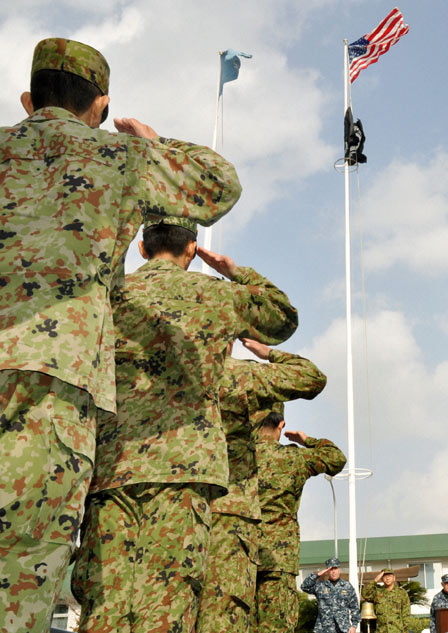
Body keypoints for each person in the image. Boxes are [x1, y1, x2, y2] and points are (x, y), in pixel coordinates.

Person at [0, 37, 241, 633]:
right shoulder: (115, 158)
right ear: (101, 105)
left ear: (30, 98)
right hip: (53, 384)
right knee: (22, 568)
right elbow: (219, 184)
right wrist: (150, 143)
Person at [71, 217, 298, 633]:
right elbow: (282, 318)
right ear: (193, 249)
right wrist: (232, 271)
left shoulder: (112, 294)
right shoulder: (215, 295)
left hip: (111, 466)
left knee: (106, 598)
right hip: (185, 469)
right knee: (168, 596)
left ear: (142, 247)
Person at [196, 338, 328, 633]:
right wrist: (268, 353)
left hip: (212, 533)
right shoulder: (289, 458)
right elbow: (311, 377)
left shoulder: (191, 380)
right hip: (270, 551)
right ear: (279, 424)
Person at [254, 412, 346, 633]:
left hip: (237, 553)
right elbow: (336, 458)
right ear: (281, 425)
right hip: (278, 556)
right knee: (276, 623)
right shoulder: (293, 458)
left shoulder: (237, 456)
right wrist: (306, 440)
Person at [301, 557, 361, 633]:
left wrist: (354, 626)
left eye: (335, 568)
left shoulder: (347, 586)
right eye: (331, 569)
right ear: (327, 571)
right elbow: (304, 586)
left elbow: (354, 607)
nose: (333, 572)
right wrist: (317, 575)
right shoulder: (320, 586)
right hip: (323, 628)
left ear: (339, 570)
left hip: (342, 629)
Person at [360, 569, 411, 633]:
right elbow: (365, 594)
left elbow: (406, 613)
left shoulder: (401, 593)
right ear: (381, 579)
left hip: (397, 630)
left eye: (389, 576)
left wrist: (405, 630)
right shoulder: (378, 592)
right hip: (381, 630)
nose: (387, 578)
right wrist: (375, 580)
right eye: (384, 576)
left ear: (394, 578)